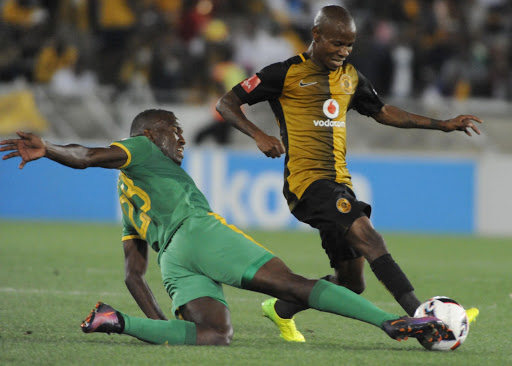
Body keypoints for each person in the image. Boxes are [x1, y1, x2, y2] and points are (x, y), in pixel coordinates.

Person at [0, 109, 448, 346]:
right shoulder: (142, 147)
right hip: (198, 231)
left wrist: (156, 329)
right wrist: (51, 148)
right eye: (174, 130)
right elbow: (86, 154)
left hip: (174, 261)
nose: (182, 139)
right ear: (152, 133)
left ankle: (115, 321)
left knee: (214, 334)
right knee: (292, 286)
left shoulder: (127, 195)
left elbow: (133, 273)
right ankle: (393, 321)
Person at [216, 5, 481, 342]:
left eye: (349, 46)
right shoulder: (284, 73)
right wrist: (258, 134)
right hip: (307, 183)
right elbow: (226, 102)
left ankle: (281, 310)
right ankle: (421, 317)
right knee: (370, 238)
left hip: (340, 184)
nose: (342, 52)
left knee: (352, 283)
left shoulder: (351, 78)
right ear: (316, 36)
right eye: (336, 44)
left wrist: (442, 125)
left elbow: (383, 111)